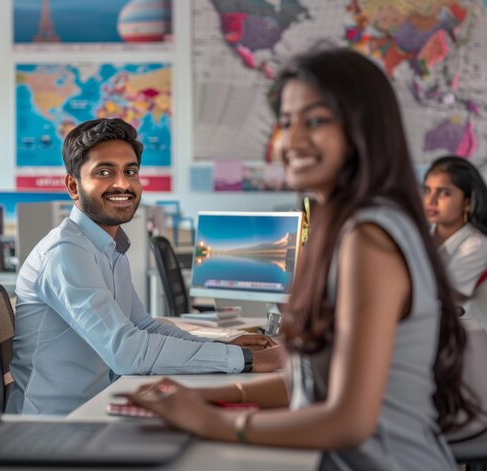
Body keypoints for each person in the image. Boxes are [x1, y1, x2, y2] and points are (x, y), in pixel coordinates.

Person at [125, 48, 480, 470]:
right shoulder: (344, 225)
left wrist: (214, 423)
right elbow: (307, 381)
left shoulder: (370, 238)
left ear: (362, 129)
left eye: (316, 121)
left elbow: (348, 421)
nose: (290, 141)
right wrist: (199, 397)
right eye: (287, 122)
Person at [6, 118, 281, 416]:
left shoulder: (108, 246)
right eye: (104, 172)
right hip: (55, 425)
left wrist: (225, 344)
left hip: (100, 404)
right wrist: (245, 359)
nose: (122, 183)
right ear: (73, 185)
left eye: (130, 171)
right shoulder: (66, 252)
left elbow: (143, 326)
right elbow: (127, 351)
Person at [422, 156, 487, 303]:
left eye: (444, 193)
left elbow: (442, 298)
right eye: (427, 190)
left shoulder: (477, 245)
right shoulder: (420, 238)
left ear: (468, 202)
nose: (431, 201)